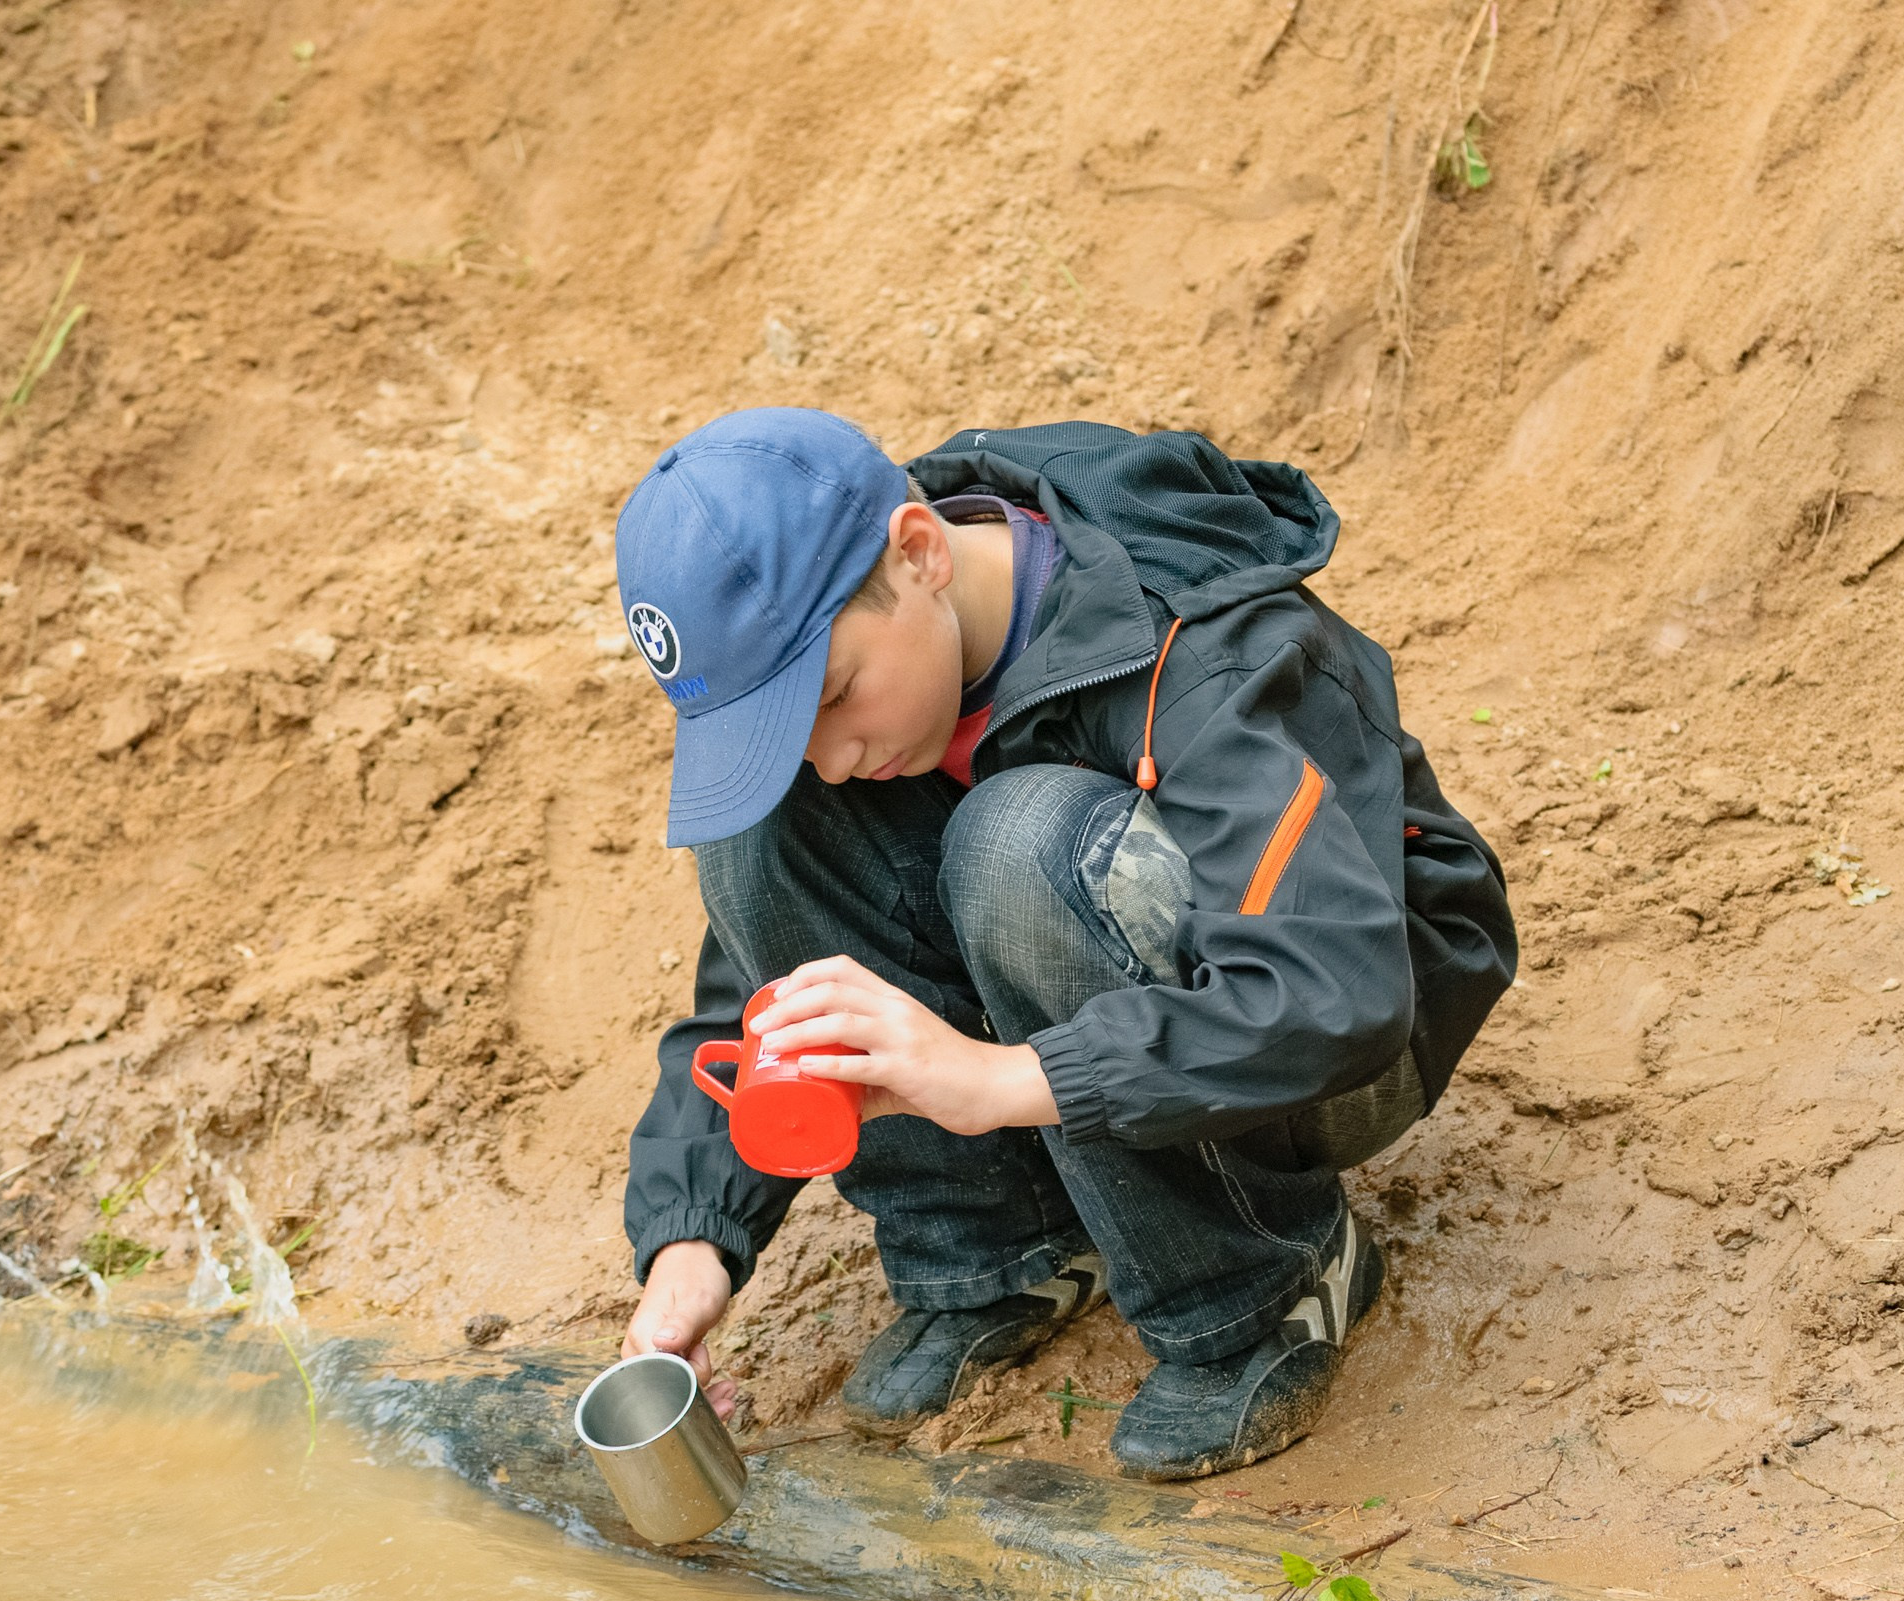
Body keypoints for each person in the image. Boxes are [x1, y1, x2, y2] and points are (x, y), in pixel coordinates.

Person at [610, 409, 1514, 1480]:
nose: (828, 755)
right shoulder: (874, 681)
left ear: (919, 552)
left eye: (833, 696)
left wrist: (995, 1078)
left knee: (1019, 841)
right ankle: (1002, 1257)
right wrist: (691, 1240)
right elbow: (762, 1001)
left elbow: (1334, 989)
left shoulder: (1200, 646)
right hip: (1134, 995)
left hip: (1348, 1030)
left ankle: (1268, 1281)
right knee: (759, 836)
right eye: (775, 729)